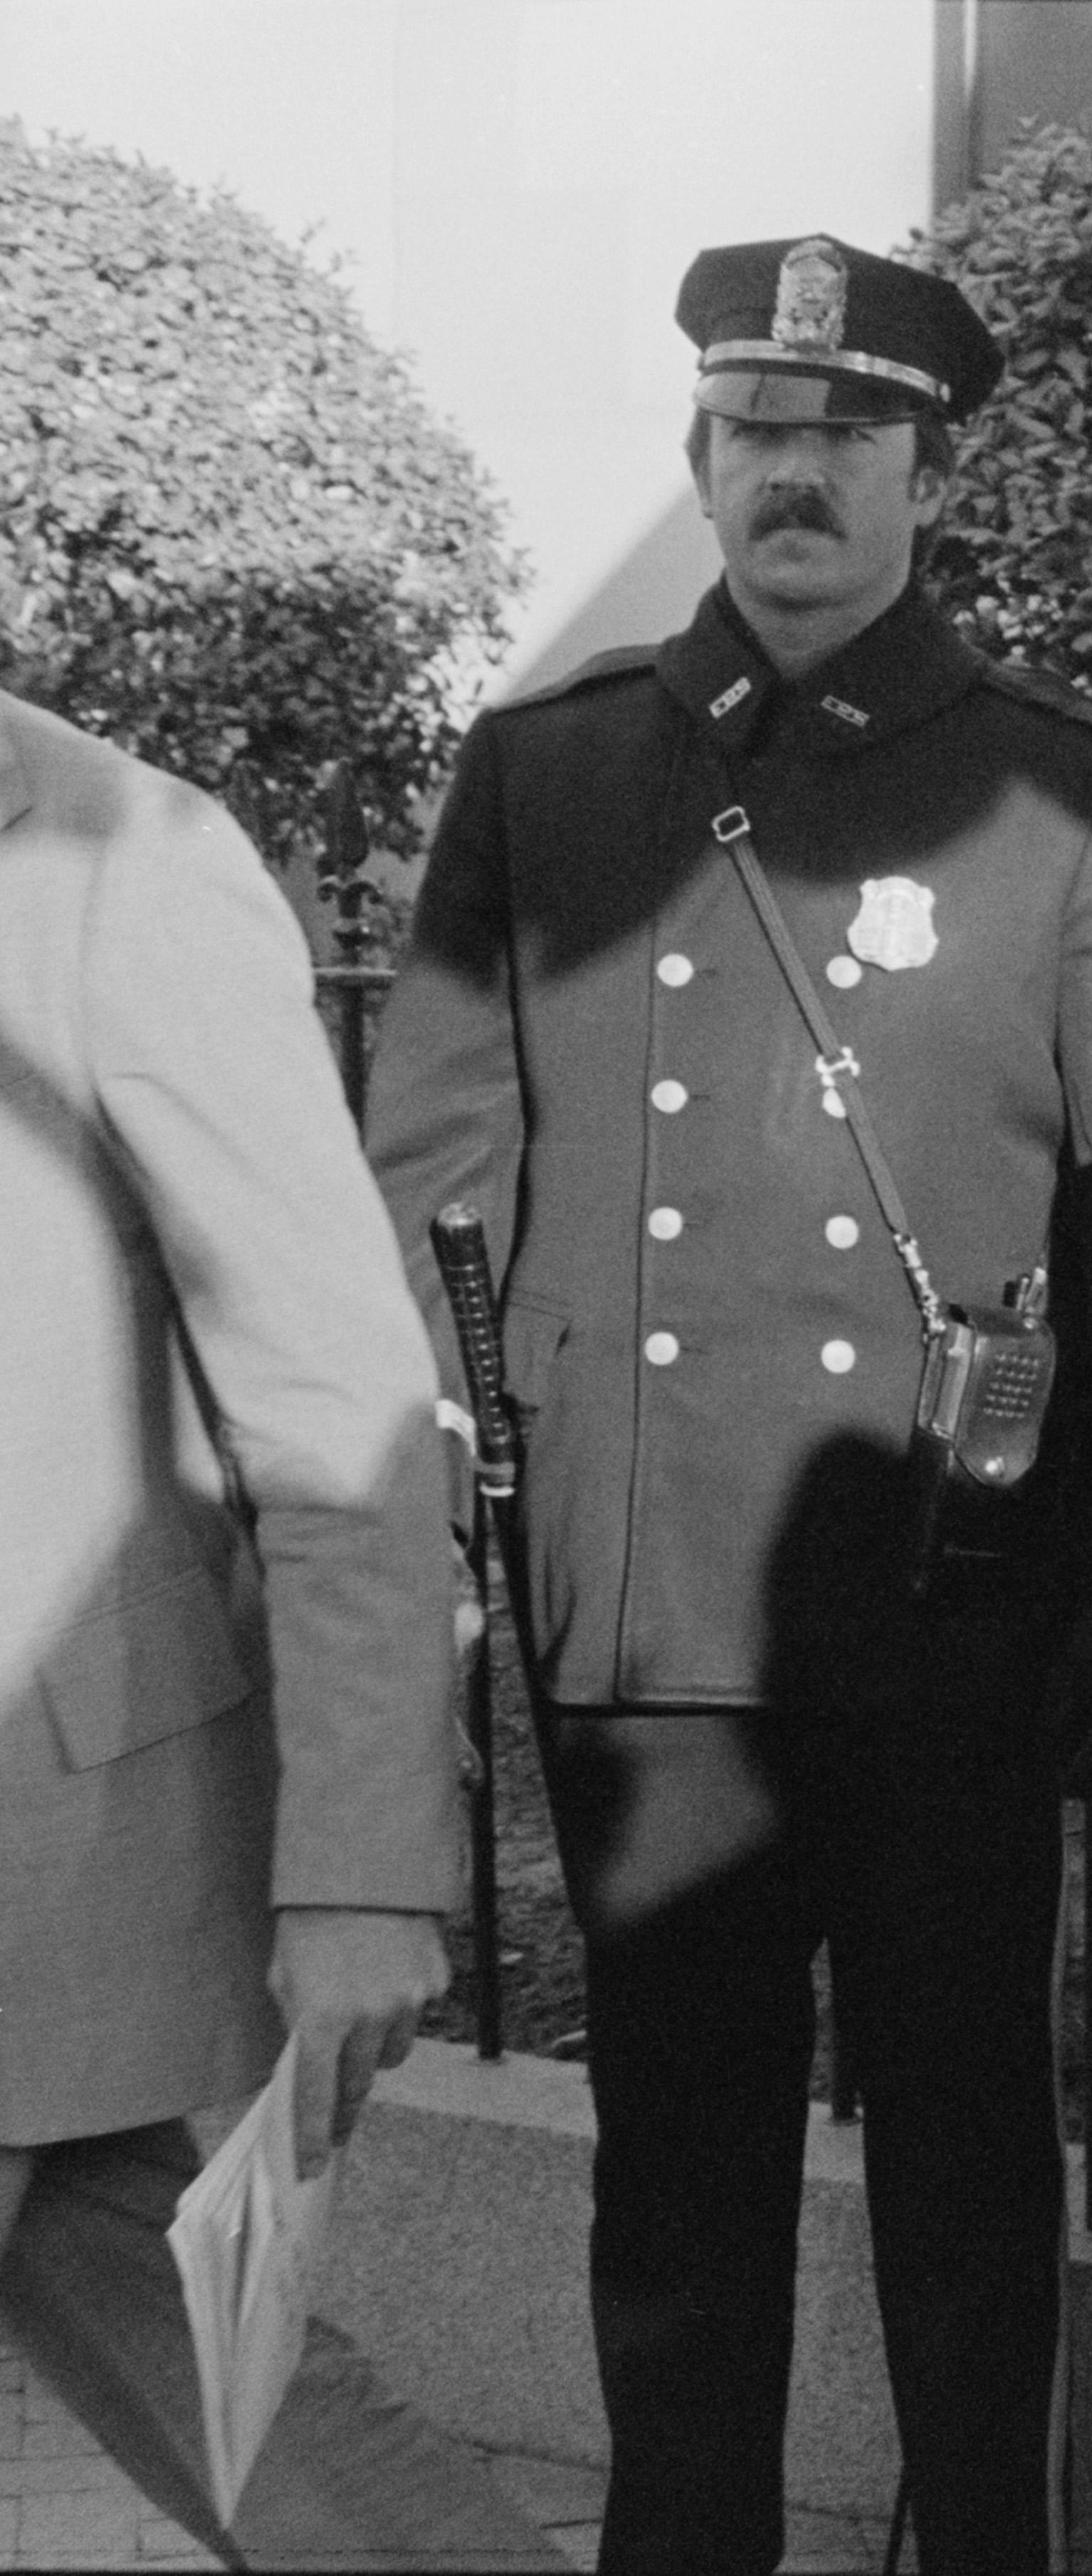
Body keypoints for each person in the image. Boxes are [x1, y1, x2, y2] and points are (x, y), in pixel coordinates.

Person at [364, 236, 1092, 2573]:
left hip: (944, 1592)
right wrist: (485, 1472)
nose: (796, 476)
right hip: (649, 1598)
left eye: (849, 437)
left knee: (965, 2156)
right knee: (677, 2177)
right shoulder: (543, 777)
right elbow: (438, 1166)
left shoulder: (1066, 795)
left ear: (927, 480)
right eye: (757, 430)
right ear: (694, 459)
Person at [1, 687, 552, 2564]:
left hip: (37, 1856)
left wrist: (362, 1870)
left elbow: (339, 1410)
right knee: (261, 2423)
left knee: (254, 2410)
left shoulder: (112, 858)